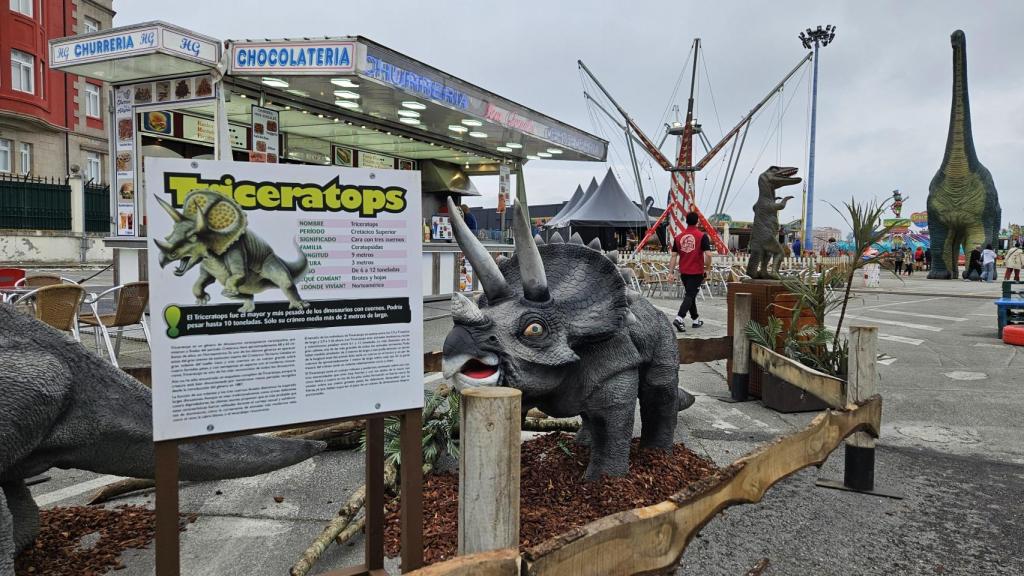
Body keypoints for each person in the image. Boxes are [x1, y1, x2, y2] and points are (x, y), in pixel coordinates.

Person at [668, 212, 712, 333]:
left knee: (690, 294)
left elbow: (673, 256)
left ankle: (695, 319)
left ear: (686, 221)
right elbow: (708, 254)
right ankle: (679, 318)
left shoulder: (678, 237)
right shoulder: (702, 236)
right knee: (690, 295)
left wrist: (670, 272)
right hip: (696, 271)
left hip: (684, 272)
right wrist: (708, 268)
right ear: (697, 222)